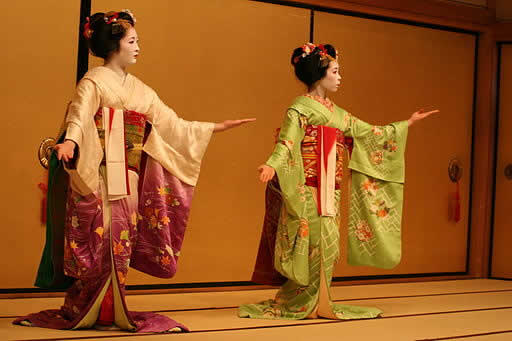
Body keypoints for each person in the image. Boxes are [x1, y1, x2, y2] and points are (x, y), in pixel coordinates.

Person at [14, 10, 254, 333]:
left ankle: (112, 308)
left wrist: (214, 127)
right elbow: (79, 115)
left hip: (128, 176)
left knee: (121, 242)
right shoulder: (93, 82)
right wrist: (71, 141)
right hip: (96, 172)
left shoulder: (142, 91)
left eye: (137, 40)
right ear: (114, 45)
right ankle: (87, 307)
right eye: (132, 41)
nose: (138, 46)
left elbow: (173, 125)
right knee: (99, 239)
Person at [239, 43, 438, 320]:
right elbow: (287, 141)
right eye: (335, 71)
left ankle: (322, 300)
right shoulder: (299, 108)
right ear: (320, 74)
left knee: (329, 245)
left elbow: (371, 132)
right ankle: (298, 301)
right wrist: (272, 164)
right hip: (306, 186)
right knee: (309, 243)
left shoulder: (339, 113)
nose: (340, 76)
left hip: (330, 188)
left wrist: (407, 124)